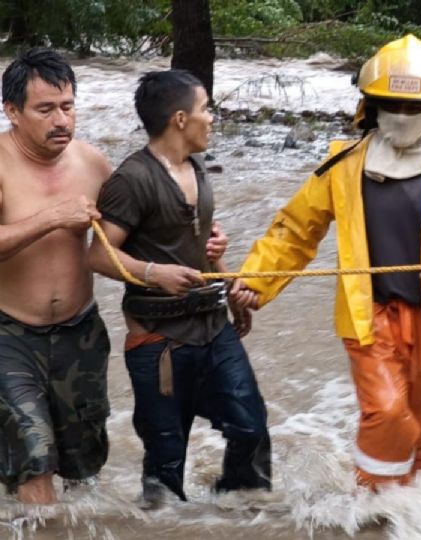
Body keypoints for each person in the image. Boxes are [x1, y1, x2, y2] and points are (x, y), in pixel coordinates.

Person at [231, 35, 421, 490]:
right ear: (370, 106)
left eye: (412, 107)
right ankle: (374, 503)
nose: (401, 116)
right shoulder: (342, 166)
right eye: (390, 105)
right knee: (388, 412)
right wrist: (255, 282)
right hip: (370, 318)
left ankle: (416, 514)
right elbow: (296, 229)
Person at [88, 69, 269, 505]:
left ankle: (241, 516)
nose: (212, 118)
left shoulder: (197, 166)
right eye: (206, 109)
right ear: (180, 119)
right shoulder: (132, 179)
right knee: (166, 459)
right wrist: (155, 273)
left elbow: (202, 242)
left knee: (251, 427)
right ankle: (164, 527)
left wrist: (229, 283)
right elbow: (97, 254)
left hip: (214, 327)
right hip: (160, 341)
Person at [0, 47, 113, 504]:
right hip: (9, 334)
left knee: (85, 471)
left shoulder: (94, 164)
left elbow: (133, 240)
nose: (61, 120)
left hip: (80, 333)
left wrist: (207, 248)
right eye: (45, 109)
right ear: (12, 112)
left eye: (67, 106)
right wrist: (50, 219)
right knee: (33, 457)